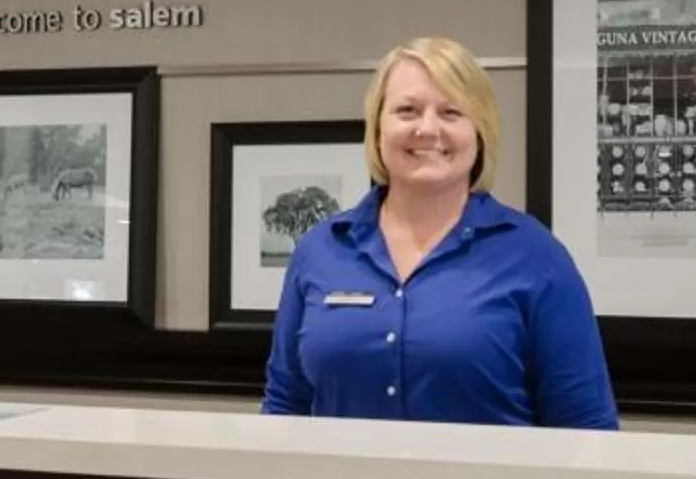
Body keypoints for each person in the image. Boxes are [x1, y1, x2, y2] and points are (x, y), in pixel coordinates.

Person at [262, 36, 619, 429]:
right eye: (407, 110)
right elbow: (284, 405)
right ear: (377, 128)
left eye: (451, 112)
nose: (427, 128)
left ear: (479, 131)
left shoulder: (536, 257)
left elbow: (586, 426)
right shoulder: (321, 250)